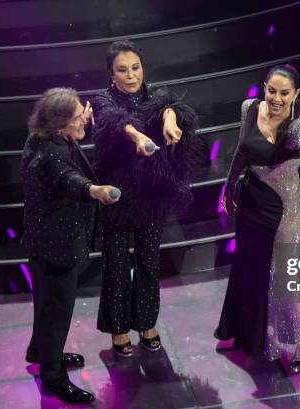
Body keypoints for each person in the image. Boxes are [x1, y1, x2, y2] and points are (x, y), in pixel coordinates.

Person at [93, 40, 206, 357]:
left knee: (149, 260)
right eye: (122, 70)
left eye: (135, 68)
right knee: (116, 264)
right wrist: (139, 136)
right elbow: (116, 120)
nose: (131, 76)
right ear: (110, 74)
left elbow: (168, 106)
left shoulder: (156, 95)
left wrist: (170, 118)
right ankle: (117, 328)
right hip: (117, 192)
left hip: (151, 192)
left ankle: (146, 322)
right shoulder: (102, 99)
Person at [214, 64, 300, 373]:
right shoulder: (250, 108)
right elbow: (242, 149)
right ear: (264, 87)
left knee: (284, 280)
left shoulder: (297, 126)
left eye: (284, 93)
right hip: (251, 204)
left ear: (296, 94)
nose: (277, 99)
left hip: (284, 213)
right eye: (272, 90)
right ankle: (249, 334)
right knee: (249, 271)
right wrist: (229, 185)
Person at [21, 87, 120, 404]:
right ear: (59, 123)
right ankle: (52, 378)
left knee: (46, 305)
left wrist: (80, 117)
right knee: (57, 311)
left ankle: (40, 351)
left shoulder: (43, 137)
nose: (85, 122)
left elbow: (66, 161)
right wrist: (95, 190)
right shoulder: (51, 156)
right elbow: (68, 179)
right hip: (55, 245)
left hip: (43, 240)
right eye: (79, 118)